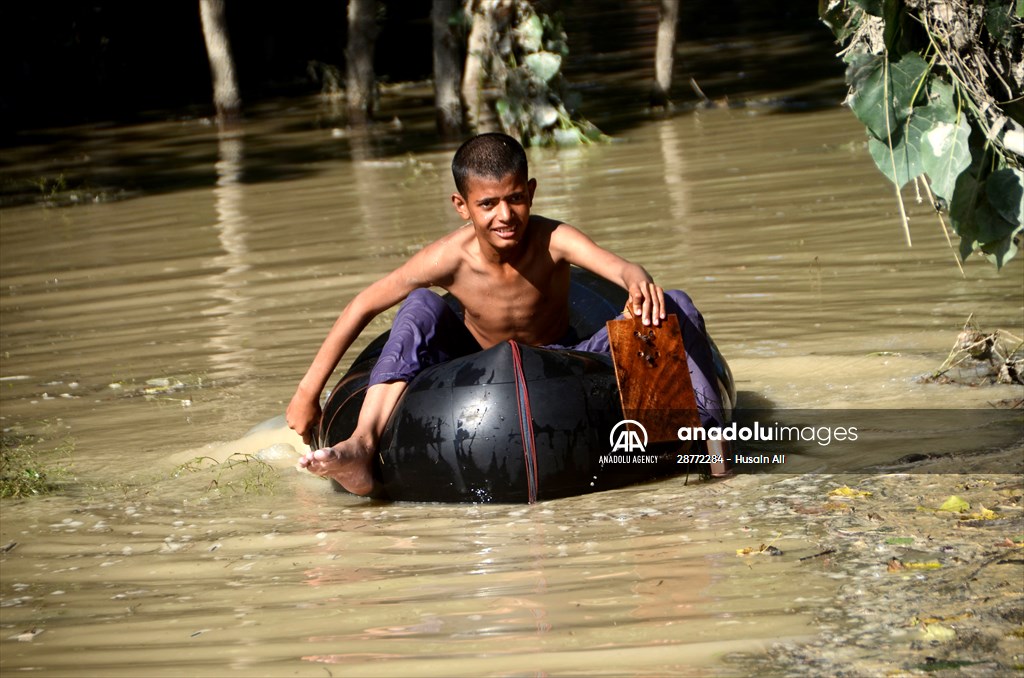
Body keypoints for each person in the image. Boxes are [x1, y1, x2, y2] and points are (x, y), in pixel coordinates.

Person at [287, 132, 721, 495]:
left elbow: (619, 267)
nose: (505, 215)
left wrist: (637, 281)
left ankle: (709, 449)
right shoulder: (449, 257)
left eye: (515, 198)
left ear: (530, 192)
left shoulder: (553, 238)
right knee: (419, 304)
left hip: (565, 356)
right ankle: (362, 445)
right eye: (488, 204)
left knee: (673, 302)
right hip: (472, 364)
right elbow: (364, 303)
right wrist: (308, 393)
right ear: (462, 206)